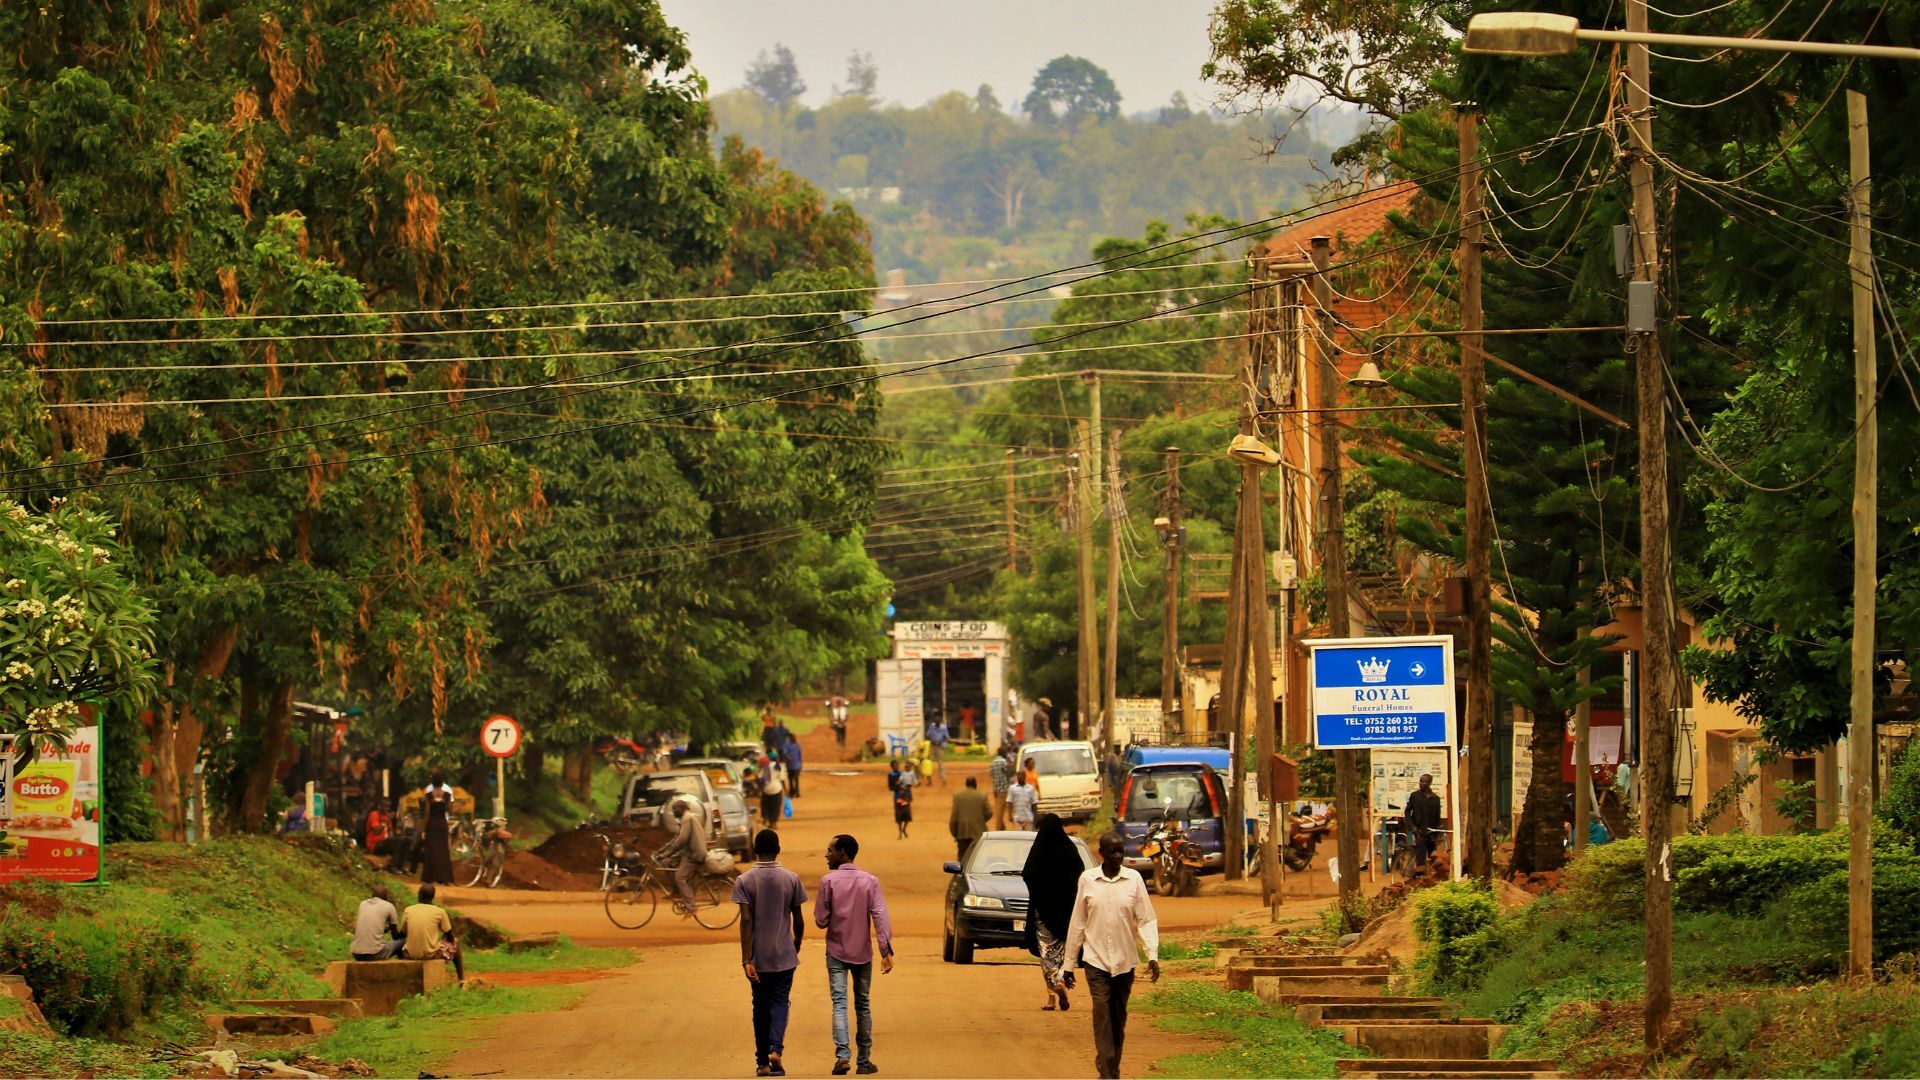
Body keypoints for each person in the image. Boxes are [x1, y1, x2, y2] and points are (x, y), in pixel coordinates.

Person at [1064, 832, 1160, 1080]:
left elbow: (1146, 919)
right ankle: (1106, 1070)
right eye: (1113, 851)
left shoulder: (1134, 879)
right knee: (1102, 1013)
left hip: (1125, 961)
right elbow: (1078, 922)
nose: (1118, 855)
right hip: (1095, 960)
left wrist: (1153, 955)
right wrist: (1069, 964)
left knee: (1118, 1018)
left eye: (1121, 851)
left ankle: (1112, 1069)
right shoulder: (1088, 880)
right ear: (1102, 853)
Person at [815, 834, 892, 1076]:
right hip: (862, 953)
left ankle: (842, 1055)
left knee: (839, 1003)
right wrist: (885, 950)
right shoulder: (870, 881)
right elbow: (880, 915)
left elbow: (820, 920)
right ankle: (864, 1061)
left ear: (843, 853)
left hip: (836, 951)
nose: (827, 854)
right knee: (863, 1004)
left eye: (830, 850)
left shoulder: (828, 881)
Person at [734, 829, 807, 1078]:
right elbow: (798, 919)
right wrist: (796, 944)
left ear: (755, 850)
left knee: (760, 1006)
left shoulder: (744, 881)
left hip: (758, 958)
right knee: (780, 1002)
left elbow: (746, 920)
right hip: (784, 955)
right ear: (778, 849)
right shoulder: (791, 878)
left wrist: (746, 959)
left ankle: (762, 1062)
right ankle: (776, 1049)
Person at [1022, 814, 1081, 1011]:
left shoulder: (1040, 849)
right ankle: (1061, 983)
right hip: (1067, 913)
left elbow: (1027, 874)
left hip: (1044, 913)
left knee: (1047, 953)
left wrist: (1040, 893)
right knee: (1063, 953)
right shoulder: (1069, 849)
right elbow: (1080, 875)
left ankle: (1053, 994)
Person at [400, 882, 463, 981]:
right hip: (431, 954)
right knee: (456, 943)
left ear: (419, 895)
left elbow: (402, 934)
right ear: (433, 897)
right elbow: (450, 936)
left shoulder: (408, 910)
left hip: (410, 954)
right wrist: (444, 937)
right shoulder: (439, 911)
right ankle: (461, 979)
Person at [658, 797, 709, 915]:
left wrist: (666, 853)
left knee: (680, 877)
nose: (674, 811)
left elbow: (681, 841)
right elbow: (675, 840)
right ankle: (676, 891)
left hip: (694, 855)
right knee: (666, 863)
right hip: (688, 854)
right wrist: (661, 852)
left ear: (682, 809)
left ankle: (691, 908)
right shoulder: (685, 819)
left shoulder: (688, 819)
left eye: (676, 809)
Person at [420, 770, 455, 885]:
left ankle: (430, 878)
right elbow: (450, 810)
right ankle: (445, 878)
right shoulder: (447, 795)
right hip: (442, 824)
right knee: (443, 850)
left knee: (431, 850)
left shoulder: (429, 796)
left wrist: (423, 830)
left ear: (432, 782)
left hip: (432, 824)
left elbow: (426, 814)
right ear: (442, 782)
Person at [350, 884, 403, 961]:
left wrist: (384, 930)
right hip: (375, 954)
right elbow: (395, 934)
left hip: (356, 954)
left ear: (372, 895)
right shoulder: (388, 906)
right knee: (402, 941)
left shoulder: (363, 904)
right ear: (386, 897)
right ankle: (402, 959)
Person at [1405, 773, 1444, 872]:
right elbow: (1407, 812)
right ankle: (1418, 877)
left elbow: (1437, 817)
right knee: (1420, 860)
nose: (1421, 784)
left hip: (1431, 833)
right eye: (1420, 781)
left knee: (1433, 859)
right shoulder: (1415, 796)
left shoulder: (1435, 799)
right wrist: (1412, 827)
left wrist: (1438, 833)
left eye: (1424, 782)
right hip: (1419, 832)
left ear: (1429, 783)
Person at [948, 777, 991, 861]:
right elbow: (989, 813)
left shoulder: (957, 796)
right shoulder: (982, 796)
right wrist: (981, 820)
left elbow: (954, 817)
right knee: (977, 856)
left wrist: (955, 833)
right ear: (975, 785)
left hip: (962, 831)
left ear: (966, 784)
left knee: (962, 855)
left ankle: (961, 872)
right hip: (978, 831)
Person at [886, 759, 914, 839]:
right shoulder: (891, 775)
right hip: (897, 797)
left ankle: (904, 829)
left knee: (907, 815)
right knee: (899, 816)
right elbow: (891, 788)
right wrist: (899, 789)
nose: (897, 767)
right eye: (896, 765)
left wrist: (910, 795)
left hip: (906, 797)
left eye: (898, 765)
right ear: (892, 767)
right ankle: (900, 833)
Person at [988, 746, 1013, 830]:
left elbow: (990, 774)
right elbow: (1009, 773)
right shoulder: (1004, 762)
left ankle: (1002, 827)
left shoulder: (993, 763)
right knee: (1000, 810)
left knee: (998, 807)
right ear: (1003, 753)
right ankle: (998, 828)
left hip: (996, 790)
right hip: (1004, 789)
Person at [760, 757, 788, 830]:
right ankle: (773, 823)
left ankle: (766, 819)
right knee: (776, 807)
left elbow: (760, 779)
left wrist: (760, 790)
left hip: (766, 789)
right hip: (776, 789)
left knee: (767, 806)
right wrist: (785, 790)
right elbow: (782, 780)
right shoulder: (779, 767)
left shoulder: (765, 767)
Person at [925, 715, 949, 785]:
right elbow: (928, 735)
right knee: (929, 763)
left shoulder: (944, 728)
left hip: (940, 746)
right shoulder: (932, 726)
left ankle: (943, 779)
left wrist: (942, 742)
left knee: (941, 764)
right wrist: (931, 740)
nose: (936, 723)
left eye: (938, 722)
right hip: (932, 746)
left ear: (940, 722)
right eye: (936, 722)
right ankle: (929, 780)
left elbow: (947, 737)